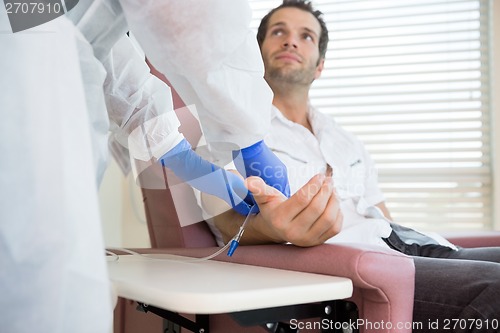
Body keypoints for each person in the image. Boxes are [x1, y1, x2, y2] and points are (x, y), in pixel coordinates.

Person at [204, 1, 500, 331]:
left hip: (402, 242)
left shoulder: (344, 138)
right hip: (354, 265)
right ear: (256, 55)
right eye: (278, 32)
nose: (291, 41)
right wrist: (271, 229)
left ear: (319, 67)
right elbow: (221, 219)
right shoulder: (235, 129)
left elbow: (380, 211)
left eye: (306, 37)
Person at [0, 1, 290, 332]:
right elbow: (194, 14)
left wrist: (186, 159)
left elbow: (95, 45)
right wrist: (246, 131)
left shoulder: (46, 20)